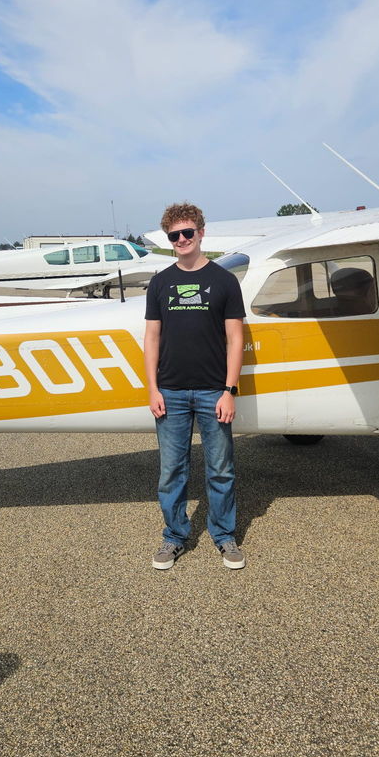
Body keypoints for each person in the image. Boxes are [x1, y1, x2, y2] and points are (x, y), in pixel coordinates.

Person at [144, 202, 245, 570]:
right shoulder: (160, 282)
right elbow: (151, 338)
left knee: (220, 468)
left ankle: (224, 536)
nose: (182, 239)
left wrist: (229, 390)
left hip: (212, 390)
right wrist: (153, 389)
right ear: (169, 240)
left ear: (201, 233)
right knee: (172, 470)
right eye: (175, 235)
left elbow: (235, 339)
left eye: (188, 232)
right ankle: (174, 537)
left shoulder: (224, 281)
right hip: (169, 391)